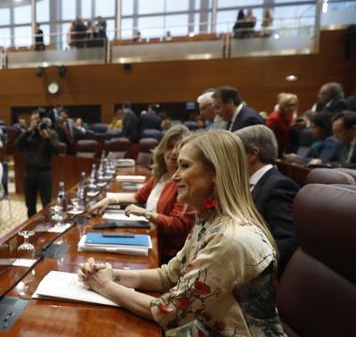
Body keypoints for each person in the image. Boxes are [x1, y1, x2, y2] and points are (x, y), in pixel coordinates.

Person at [79, 130, 284, 336]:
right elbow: (168, 275)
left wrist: (105, 286)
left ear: (215, 172)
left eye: (184, 166)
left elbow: (170, 312)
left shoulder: (231, 239)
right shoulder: (209, 219)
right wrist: (112, 275)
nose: (175, 176)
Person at [88, 125, 195, 263]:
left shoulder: (183, 182)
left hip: (168, 254)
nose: (174, 152)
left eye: (179, 148)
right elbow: (137, 197)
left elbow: (177, 225)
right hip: (152, 238)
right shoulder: (160, 175)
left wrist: (145, 213)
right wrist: (109, 199)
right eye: (170, 146)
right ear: (162, 149)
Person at [234, 125, 299, 278]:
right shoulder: (254, 183)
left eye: (235, 153)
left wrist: (246, 263)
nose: (230, 160)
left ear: (252, 154)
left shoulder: (279, 186)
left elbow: (288, 241)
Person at [15, 112, 60, 217]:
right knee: (30, 204)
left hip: (44, 173)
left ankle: (47, 227)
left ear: (42, 121)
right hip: (29, 173)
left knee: (46, 203)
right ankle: (32, 228)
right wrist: (28, 131)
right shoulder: (28, 134)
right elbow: (17, 145)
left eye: (37, 120)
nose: (35, 122)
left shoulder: (50, 133)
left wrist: (46, 138)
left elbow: (57, 150)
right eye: (32, 120)